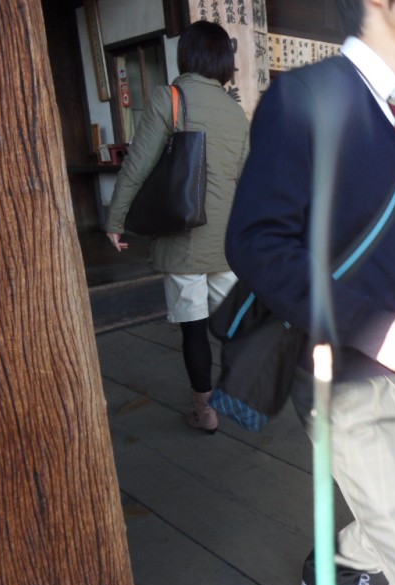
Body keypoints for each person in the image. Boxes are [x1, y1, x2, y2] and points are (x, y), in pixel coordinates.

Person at [224, 1, 395, 585]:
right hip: (342, 374)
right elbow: (256, 242)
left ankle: (339, 567)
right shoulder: (304, 97)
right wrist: (373, 327)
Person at [105, 21, 249, 433]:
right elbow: (246, 179)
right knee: (235, 324)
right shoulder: (235, 110)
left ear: (186, 54)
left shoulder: (170, 98)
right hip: (226, 239)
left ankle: (205, 412)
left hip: (184, 236)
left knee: (194, 328)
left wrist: (116, 220)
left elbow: (138, 164)